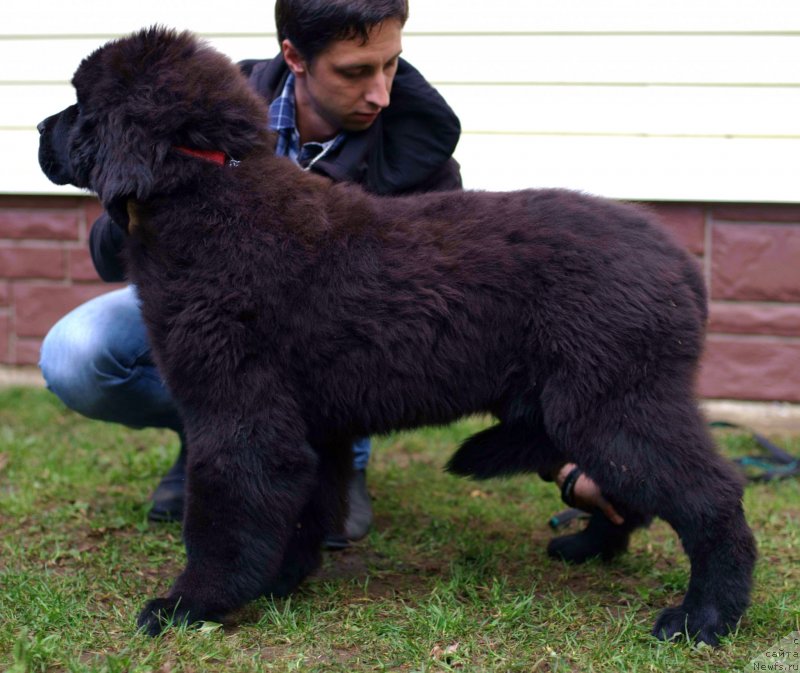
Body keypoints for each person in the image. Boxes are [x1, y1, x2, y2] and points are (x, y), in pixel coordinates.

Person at [39, 0, 620, 547]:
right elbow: (108, 257)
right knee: (80, 352)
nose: (381, 93)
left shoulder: (420, 154)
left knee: (324, 508)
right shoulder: (205, 103)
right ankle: (219, 439)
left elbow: (471, 338)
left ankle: (312, 455)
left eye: (391, 65)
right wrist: (137, 196)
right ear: (295, 56)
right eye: (355, 71)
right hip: (211, 323)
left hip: (333, 360)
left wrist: (565, 463)